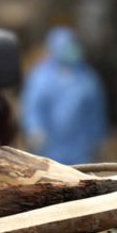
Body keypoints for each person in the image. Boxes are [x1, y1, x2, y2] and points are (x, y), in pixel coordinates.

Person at [20, 27, 108, 166]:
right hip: (48, 147)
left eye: (73, 45)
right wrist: (35, 129)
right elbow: (32, 107)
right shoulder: (41, 76)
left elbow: (96, 110)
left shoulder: (87, 77)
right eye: (66, 46)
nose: (71, 49)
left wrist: (98, 138)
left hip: (80, 148)